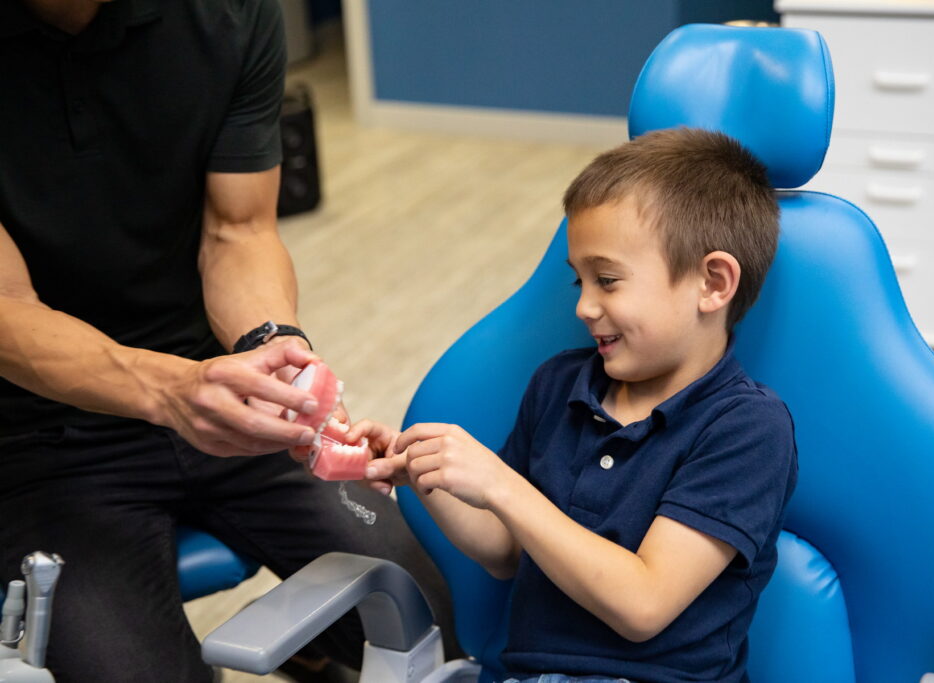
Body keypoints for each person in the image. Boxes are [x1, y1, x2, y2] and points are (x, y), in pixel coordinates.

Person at [0, 1, 456, 681]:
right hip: (44, 435)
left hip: (218, 393)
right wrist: (172, 390)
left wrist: (277, 351)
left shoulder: (229, 14)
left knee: (438, 613)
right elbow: (8, 309)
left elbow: (237, 231)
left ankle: (315, 643)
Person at [351, 128, 799, 683]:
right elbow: (504, 553)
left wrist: (501, 486)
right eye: (578, 281)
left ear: (712, 283)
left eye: (607, 280)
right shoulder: (559, 384)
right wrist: (427, 472)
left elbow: (644, 605)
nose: (585, 306)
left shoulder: (747, 427)